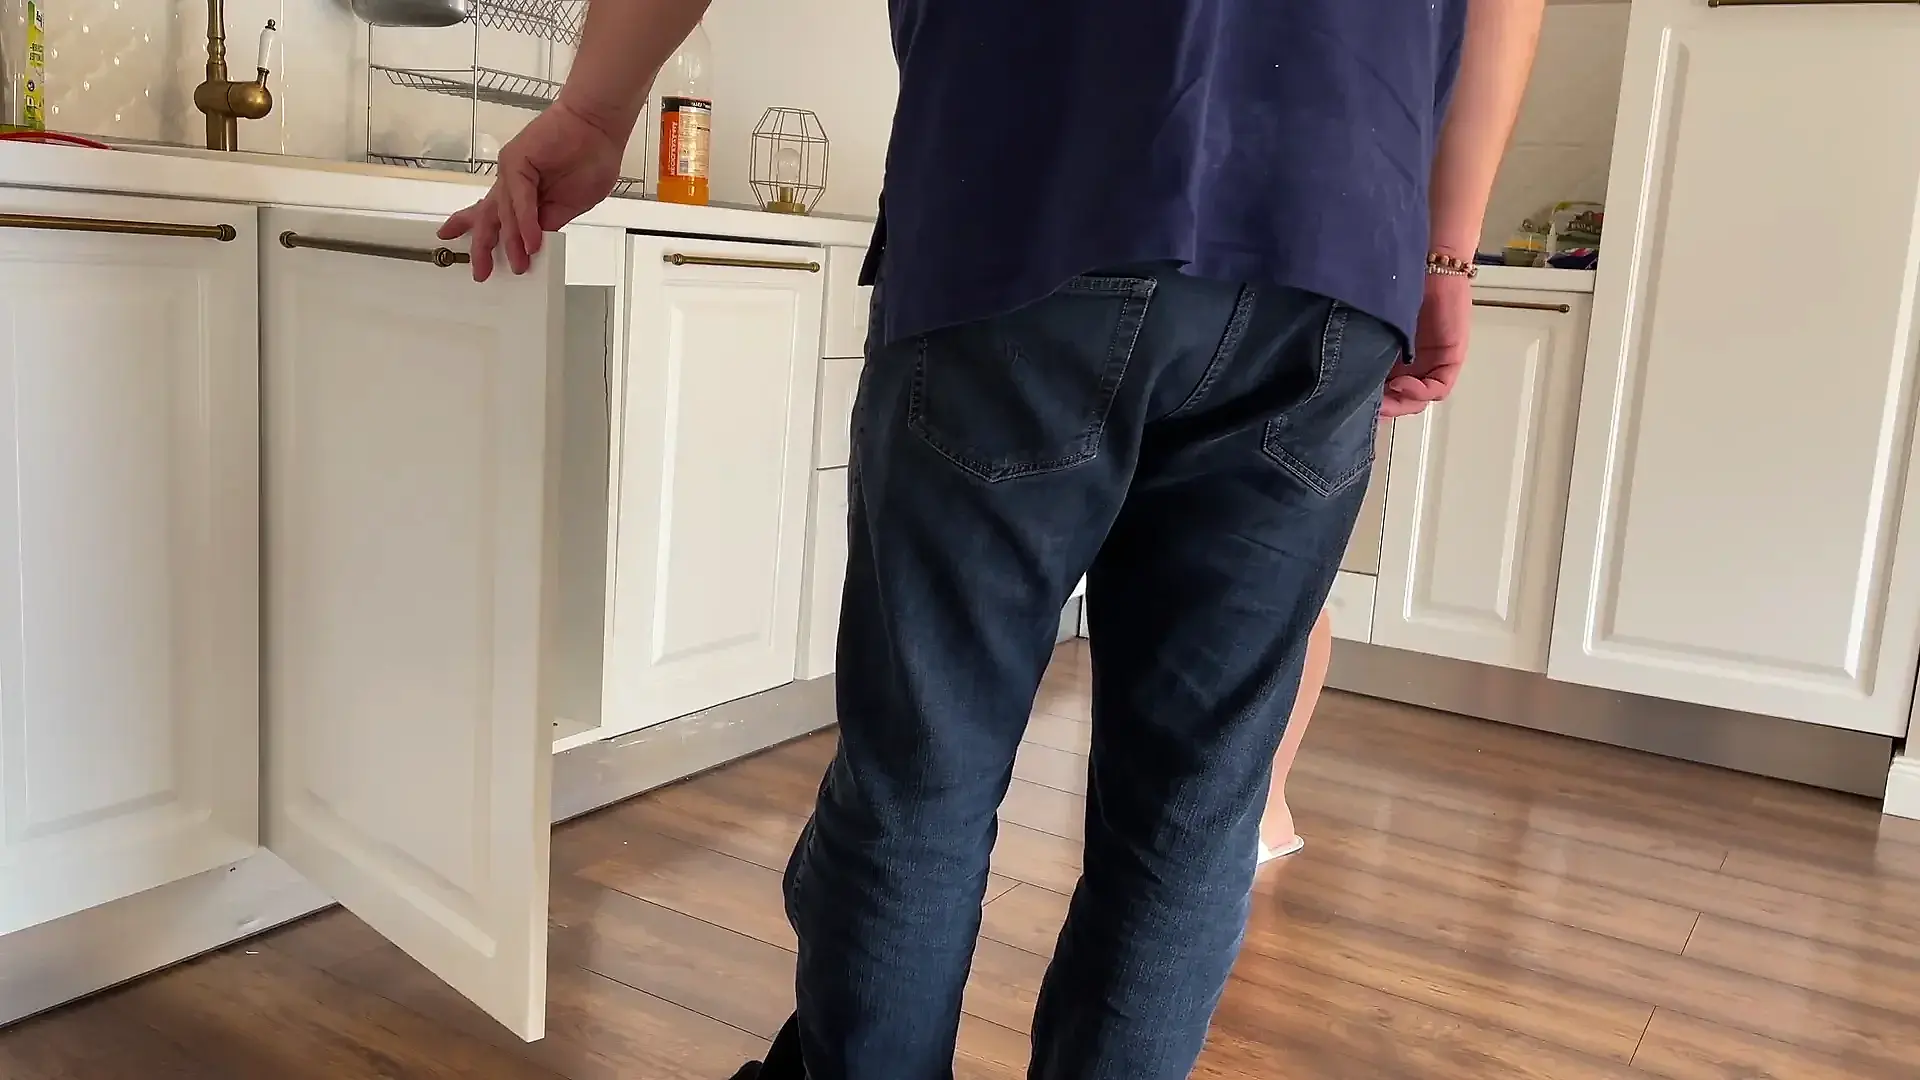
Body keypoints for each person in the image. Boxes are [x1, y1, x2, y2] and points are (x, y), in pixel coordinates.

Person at [441, 0, 1545, 1075]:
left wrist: (592, 114)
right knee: (1194, 804)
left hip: (1026, 208)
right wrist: (1448, 252)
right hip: (1334, 252)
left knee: (924, 775)